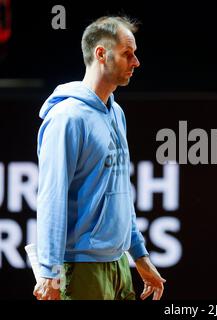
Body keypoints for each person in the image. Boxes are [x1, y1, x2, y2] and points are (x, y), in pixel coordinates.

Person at [33, 16, 166, 300]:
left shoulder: (116, 113)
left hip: (118, 263)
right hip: (81, 268)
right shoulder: (67, 117)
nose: (136, 62)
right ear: (101, 54)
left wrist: (139, 255)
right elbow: (51, 198)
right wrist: (50, 273)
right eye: (127, 54)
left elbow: (120, 192)